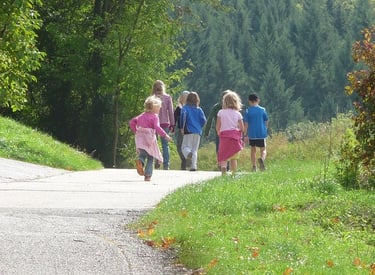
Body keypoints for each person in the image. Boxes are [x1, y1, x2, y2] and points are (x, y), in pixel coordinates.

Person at [129, 95, 172, 181]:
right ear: (154, 107)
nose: (159, 110)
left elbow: (132, 122)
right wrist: (165, 135)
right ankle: (148, 175)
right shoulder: (155, 116)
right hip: (149, 138)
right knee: (151, 156)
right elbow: (157, 127)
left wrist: (136, 131)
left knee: (142, 153)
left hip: (140, 137)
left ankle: (140, 161)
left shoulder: (142, 115)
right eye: (159, 108)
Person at [216, 90, 245, 175]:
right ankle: (233, 173)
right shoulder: (238, 114)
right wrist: (238, 131)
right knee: (234, 158)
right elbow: (242, 128)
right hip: (234, 137)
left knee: (223, 156)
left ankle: (224, 168)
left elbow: (218, 125)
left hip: (224, 136)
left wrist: (218, 131)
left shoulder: (220, 112)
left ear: (224, 102)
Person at [180, 91, 207, 171]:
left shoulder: (185, 108)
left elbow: (183, 117)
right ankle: (193, 166)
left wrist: (182, 127)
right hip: (198, 131)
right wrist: (200, 127)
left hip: (188, 130)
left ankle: (188, 153)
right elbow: (204, 120)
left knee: (184, 147)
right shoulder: (199, 109)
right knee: (195, 149)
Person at [204, 90, 230, 170]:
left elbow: (210, 119)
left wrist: (207, 131)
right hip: (230, 132)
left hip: (219, 132)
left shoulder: (216, 107)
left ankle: (221, 164)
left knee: (219, 148)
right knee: (229, 148)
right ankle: (226, 165)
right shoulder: (233, 107)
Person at [152, 80, 175, 170]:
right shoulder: (167, 97)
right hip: (165, 123)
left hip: (153, 123)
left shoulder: (152, 98)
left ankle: (157, 160)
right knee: (165, 144)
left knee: (154, 143)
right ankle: (166, 165)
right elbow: (171, 112)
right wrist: (172, 124)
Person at [243, 93, 269, 171]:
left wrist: (245, 134)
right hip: (261, 133)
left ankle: (254, 167)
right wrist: (265, 129)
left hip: (252, 133)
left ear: (249, 101)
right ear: (258, 100)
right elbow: (266, 120)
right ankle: (262, 159)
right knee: (263, 149)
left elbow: (246, 124)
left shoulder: (248, 111)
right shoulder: (262, 110)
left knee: (253, 150)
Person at [174, 90, 190, 170]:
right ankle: (185, 160)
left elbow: (174, 118)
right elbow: (174, 118)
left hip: (185, 130)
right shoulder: (180, 108)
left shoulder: (182, 108)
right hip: (185, 130)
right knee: (183, 146)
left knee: (181, 146)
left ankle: (185, 160)